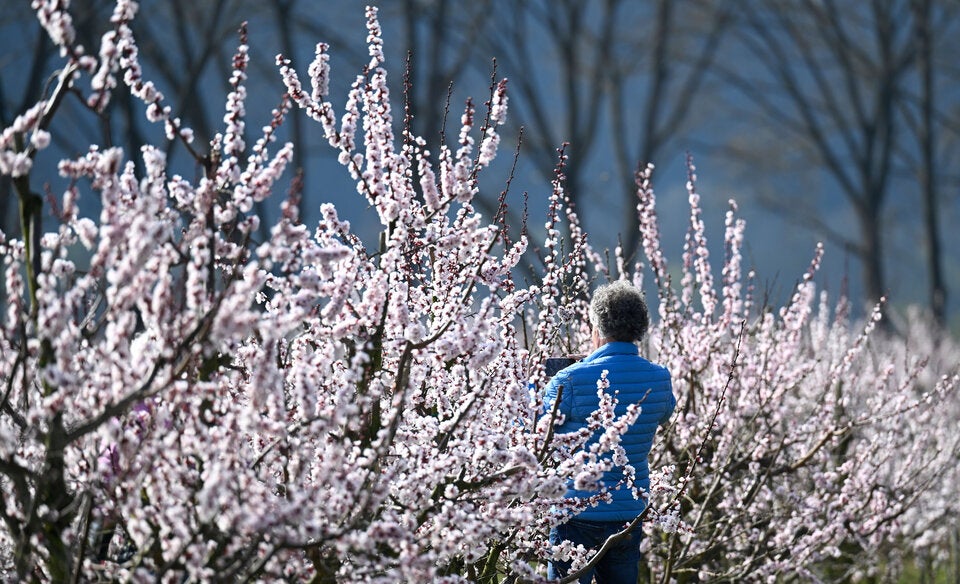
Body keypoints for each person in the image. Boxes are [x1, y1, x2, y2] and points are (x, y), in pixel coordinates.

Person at [544, 280, 676, 583]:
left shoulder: (569, 379)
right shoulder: (660, 378)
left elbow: (538, 432)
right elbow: (666, 411)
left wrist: (536, 387)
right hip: (628, 513)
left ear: (596, 330)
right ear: (639, 330)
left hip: (575, 512)